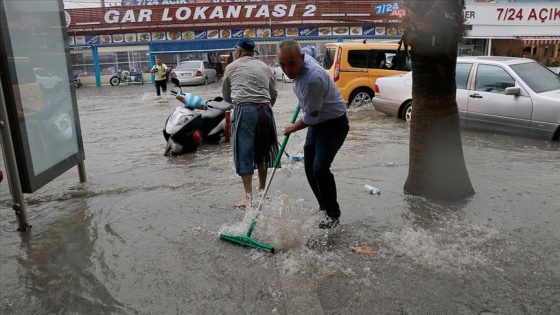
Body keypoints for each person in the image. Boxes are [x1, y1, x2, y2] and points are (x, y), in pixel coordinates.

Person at [277, 40, 349, 229]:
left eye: (291, 63)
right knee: (309, 167)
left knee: (320, 169)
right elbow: (310, 49)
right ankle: (323, 207)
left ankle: (333, 215)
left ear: (301, 59)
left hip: (333, 124)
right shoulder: (304, 54)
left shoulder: (311, 80)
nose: (286, 69)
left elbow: (310, 118)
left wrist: (293, 127)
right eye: (282, 64)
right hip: (318, 124)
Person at [222, 38, 279, 209]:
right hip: (265, 111)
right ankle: (262, 188)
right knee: (263, 151)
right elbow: (273, 94)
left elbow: (226, 96)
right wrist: (264, 109)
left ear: (238, 52)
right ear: (253, 53)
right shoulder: (265, 67)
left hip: (244, 110)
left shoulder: (231, 67)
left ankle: (249, 197)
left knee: (243, 152)